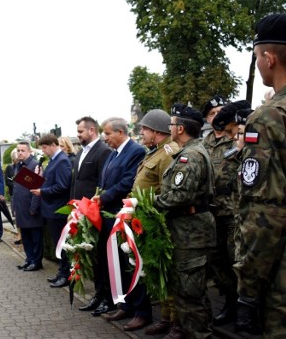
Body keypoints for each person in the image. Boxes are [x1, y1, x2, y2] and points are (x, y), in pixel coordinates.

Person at [234, 13, 286, 337]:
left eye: (256, 59)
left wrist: (248, 291)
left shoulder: (268, 117)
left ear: (268, 59)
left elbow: (264, 215)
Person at [107, 110, 179, 332]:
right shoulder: (153, 152)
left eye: (144, 129)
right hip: (144, 219)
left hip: (159, 221)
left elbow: (167, 191)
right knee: (155, 273)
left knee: (165, 272)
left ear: (156, 130)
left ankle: (173, 321)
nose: (141, 133)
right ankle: (166, 319)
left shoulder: (167, 153)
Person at [154, 104, 216, 339]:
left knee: (191, 295)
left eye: (171, 124)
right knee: (190, 293)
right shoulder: (188, 152)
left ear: (180, 128)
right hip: (187, 232)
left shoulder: (190, 156)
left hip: (191, 235)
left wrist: (149, 202)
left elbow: (180, 196)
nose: (170, 128)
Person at [90, 118, 146, 317]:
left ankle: (140, 309)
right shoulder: (114, 153)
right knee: (117, 264)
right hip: (108, 215)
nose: (105, 138)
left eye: (107, 133)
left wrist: (104, 197)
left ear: (120, 132)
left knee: (128, 262)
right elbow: (105, 180)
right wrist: (99, 195)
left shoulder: (136, 151)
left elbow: (128, 181)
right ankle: (126, 304)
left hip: (122, 215)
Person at [207, 100, 251, 326]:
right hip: (214, 210)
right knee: (218, 260)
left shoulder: (240, 136)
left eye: (220, 113)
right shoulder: (205, 142)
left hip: (234, 208)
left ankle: (245, 306)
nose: (216, 117)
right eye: (212, 114)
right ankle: (230, 303)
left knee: (236, 258)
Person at [72, 116, 113, 311]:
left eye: (80, 131)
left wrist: (95, 206)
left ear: (91, 130)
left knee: (103, 257)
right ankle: (98, 294)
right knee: (93, 255)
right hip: (82, 212)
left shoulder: (103, 151)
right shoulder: (81, 152)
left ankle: (108, 298)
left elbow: (102, 182)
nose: (77, 135)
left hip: (96, 212)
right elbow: (77, 182)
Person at [30, 133, 73, 288]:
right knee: (58, 244)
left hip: (57, 209)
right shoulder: (54, 160)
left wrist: (43, 192)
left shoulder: (61, 161)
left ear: (54, 145)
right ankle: (62, 272)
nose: (43, 151)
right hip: (51, 209)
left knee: (62, 244)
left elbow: (63, 186)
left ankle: (66, 275)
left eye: (45, 147)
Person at [12, 142, 44, 271]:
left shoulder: (35, 165)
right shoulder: (19, 165)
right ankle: (29, 259)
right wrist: (14, 206)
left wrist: (33, 207)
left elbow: (38, 188)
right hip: (21, 208)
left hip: (31, 209)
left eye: (23, 150)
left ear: (30, 151)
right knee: (25, 237)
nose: (20, 153)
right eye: (18, 150)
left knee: (35, 237)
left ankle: (36, 262)